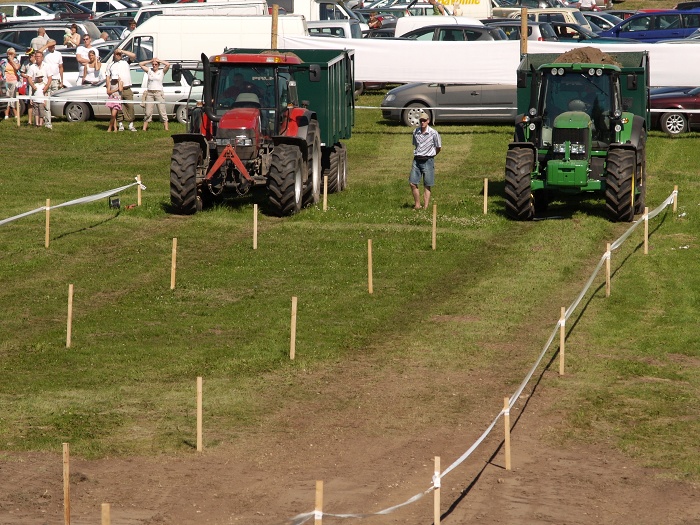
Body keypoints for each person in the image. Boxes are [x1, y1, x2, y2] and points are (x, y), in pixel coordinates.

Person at [409, 111, 441, 210]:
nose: (422, 122)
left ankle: (426, 207)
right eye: (421, 121)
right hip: (417, 160)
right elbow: (416, 144)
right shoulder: (415, 132)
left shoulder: (433, 133)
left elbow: (438, 147)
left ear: (428, 121)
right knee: (412, 183)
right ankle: (417, 205)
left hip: (428, 160)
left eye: (424, 120)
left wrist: (431, 155)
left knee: (427, 184)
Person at [107, 48, 137, 131]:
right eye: (117, 54)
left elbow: (133, 56)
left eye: (119, 54)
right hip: (116, 89)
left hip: (126, 88)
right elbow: (108, 77)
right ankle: (120, 124)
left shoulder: (125, 62)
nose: (118, 55)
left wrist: (122, 51)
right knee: (118, 108)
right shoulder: (110, 65)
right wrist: (108, 89)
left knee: (130, 106)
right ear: (114, 55)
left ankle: (131, 124)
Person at [139, 57, 170, 131]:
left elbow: (168, 65)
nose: (154, 65)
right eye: (153, 64)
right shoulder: (149, 71)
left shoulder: (162, 71)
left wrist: (159, 60)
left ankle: (166, 128)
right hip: (150, 93)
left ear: (158, 65)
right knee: (148, 111)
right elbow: (140, 64)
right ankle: (144, 128)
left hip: (158, 93)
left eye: (156, 64)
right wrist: (150, 60)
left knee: (162, 111)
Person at [39, 39, 63, 129]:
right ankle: (47, 122)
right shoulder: (44, 53)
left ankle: (55, 116)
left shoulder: (58, 54)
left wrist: (62, 80)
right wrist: (47, 45)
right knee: (46, 102)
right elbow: (38, 52)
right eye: (51, 45)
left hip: (56, 79)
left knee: (55, 101)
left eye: (54, 45)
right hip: (46, 80)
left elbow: (60, 67)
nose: (53, 47)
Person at [26, 51, 52, 128]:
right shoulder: (32, 67)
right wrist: (33, 86)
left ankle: (48, 123)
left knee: (46, 107)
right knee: (35, 108)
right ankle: (37, 123)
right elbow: (29, 78)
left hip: (45, 88)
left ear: (42, 57)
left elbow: (50, 78)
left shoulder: (47, 66)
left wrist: (46, 86)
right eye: (36, 57)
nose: (37, 58)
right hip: (36, 89)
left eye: (39, 57)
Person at [2, 48, 21, 120]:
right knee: (6, 97)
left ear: (14, 54)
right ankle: (6, 115)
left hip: (14, 80)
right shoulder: (4, 61)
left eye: (11, 54)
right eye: (8, 54)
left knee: (13, 97)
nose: (9, 55)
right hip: (6, 81)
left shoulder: (16, 61)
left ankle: (15, 114)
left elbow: (16, 67)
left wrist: (11, 60)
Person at [20, 49, 36, 125]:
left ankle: (37, 120)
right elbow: (22, 72)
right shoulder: (26, 62)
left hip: (36, 85)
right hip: (29, 85)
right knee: (30, 103)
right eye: (29, 55)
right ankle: (29, 121)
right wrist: (27, 76)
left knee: (37, 103)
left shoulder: (37, 63)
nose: (30, 57)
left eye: (31, 55)